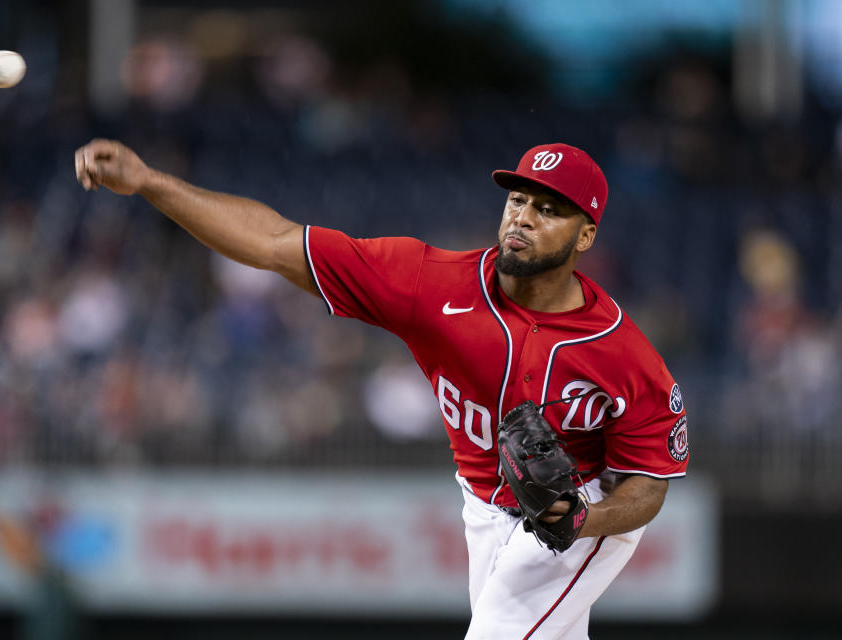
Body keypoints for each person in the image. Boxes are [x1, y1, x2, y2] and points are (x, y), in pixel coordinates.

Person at [74, 139, 689, 639]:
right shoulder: (428, 282)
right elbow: (271, 243)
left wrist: (583, 519)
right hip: (483, 505)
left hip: (580, 510)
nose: (524, 216)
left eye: (550, 209)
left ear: (585, 237)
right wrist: (151, 182)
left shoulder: (624, 356)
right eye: (519, 199)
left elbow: (649, 486)